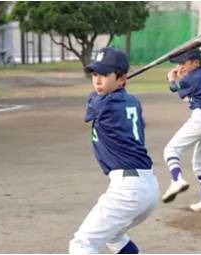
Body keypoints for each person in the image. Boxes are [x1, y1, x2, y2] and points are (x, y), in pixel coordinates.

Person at [69, 47, 160, 254]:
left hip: (128, 189)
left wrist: (107, 90)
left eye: (104, 74)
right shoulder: (132, 101)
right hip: (147, 187)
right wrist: (115, 85)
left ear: (121, 79)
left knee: (82, 243)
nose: (97, 80)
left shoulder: (104, 104)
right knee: (113, 235)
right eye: (94, 74)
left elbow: (91, 106)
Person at [161, 49, 201, 213]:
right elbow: (191, 97)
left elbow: (179, 93)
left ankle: (176, 180)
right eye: (180, 63)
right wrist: (183, 76)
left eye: (184, 63)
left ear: (196, 62)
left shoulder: (191, 77)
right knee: (200, 164)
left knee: (171, 149)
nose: (181, 66)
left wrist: (172, 79)